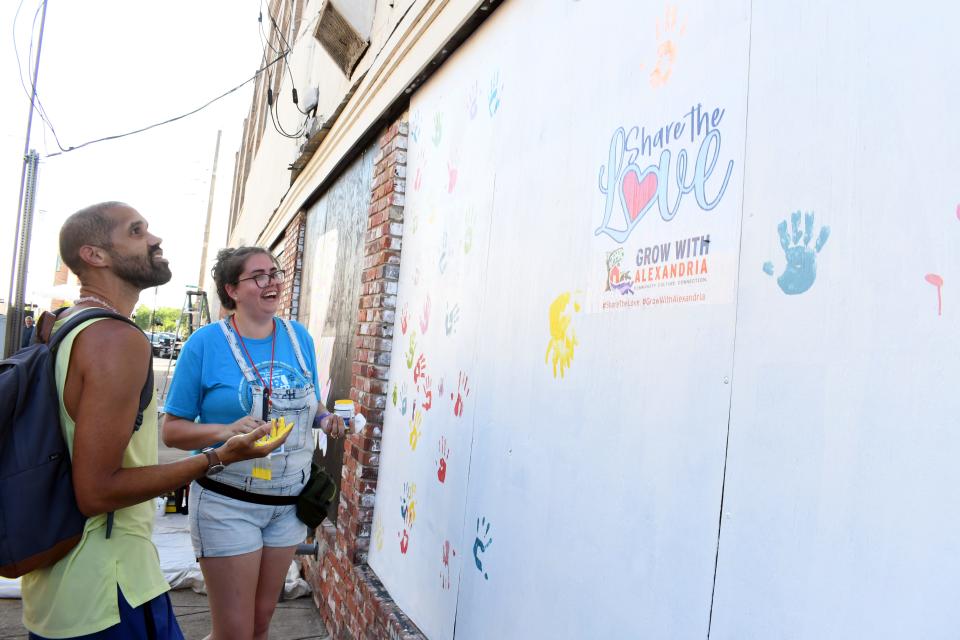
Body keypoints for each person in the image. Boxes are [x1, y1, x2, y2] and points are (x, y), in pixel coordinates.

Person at [21, 203, 289, 640]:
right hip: (107, 588)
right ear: (95, 255)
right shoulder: (115, 339)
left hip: (66, 587)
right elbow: (96, 491)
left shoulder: (65, 324)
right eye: (136, 231)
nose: (155, 239)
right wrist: (219, 457)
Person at [161, 246, 346, 640]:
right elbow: (172, 431)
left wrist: (327, 419)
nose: (273, 282)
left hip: (287, 506)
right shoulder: (205, 343)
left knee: (260, 625)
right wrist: (225, 431)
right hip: (227, 504)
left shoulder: (300, 338)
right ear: (232, 289)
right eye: (258, 276)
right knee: (234, 631)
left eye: (275, 273)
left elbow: (311, 403)